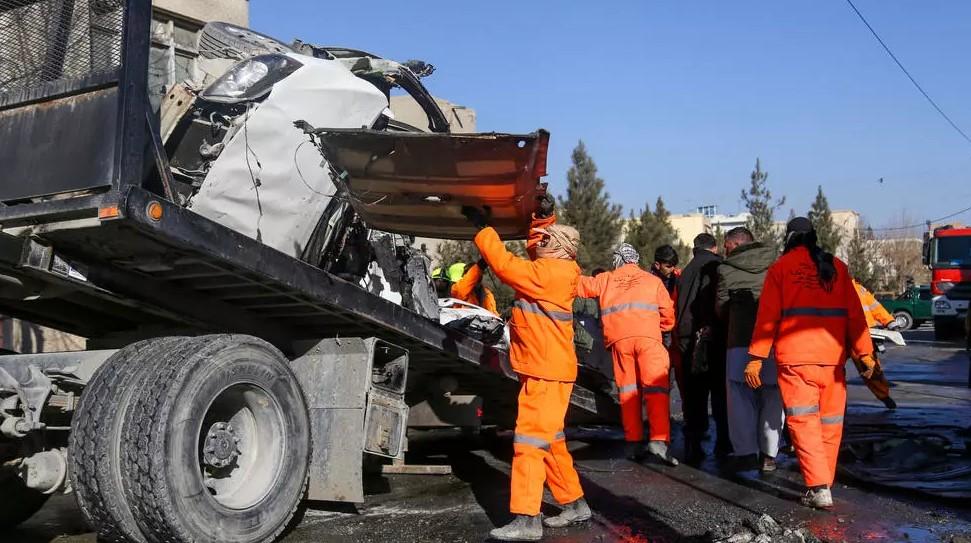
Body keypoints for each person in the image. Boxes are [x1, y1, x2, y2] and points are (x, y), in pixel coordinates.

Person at [463, 195, 589, 541]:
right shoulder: (558, 269)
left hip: (545, 370)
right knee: (552, 440)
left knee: (529, 443)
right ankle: (575, 503)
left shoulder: (546, 275)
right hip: (549, 368)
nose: (541, 244)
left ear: (559, 248)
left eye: (546, 239)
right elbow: (537, 251)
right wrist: (543, 219)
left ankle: (527, 519)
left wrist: (482, 229)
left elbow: (504, 265)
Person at [747, 217, 872, 509]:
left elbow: (767, 318)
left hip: (796, 360)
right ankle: (823, 483)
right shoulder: (836, 267)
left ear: (789, 238)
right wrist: (865, 353)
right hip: (833, 360)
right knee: (830, 423)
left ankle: (817, 487)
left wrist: (755, 357)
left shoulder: (781, 269)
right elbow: (856, 315)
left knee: (804, 422)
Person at [577, 244, 679, 465]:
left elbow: (579, 285)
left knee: (629, 393)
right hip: (649, 340)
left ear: (617, 260)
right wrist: (660, 328)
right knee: (656, 390)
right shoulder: (653, 281)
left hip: (620, 343)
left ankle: (633, 442)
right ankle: (658, 442)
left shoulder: (605, 279)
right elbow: (668, 316)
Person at [716, 227, 784, 473]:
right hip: (773, 340)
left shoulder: (725, 269)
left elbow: (721, 308)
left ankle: (745, 452)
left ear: (734, 244)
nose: (724, 250)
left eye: (726, 245)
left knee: (740, 397)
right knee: (773, 395)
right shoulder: (777, 265)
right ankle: (769, 455)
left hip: (739, 341)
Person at [676, 233, 731, 463]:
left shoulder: (685, 271)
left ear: (694, 249)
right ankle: (724, 442)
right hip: (714, 337)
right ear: (715, 247)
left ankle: (694, 442)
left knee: (694, 394)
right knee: (720, 393)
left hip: (686, 338)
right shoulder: (719, 267)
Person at [852, 279, 899, 409]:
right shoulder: (851, 287)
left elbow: (874, 306)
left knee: (870, 366)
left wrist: (889, 321)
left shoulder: (856, 288)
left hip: (862, 333)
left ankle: (884, 395)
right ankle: (884, 396)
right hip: (852, 333)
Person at [652, 245, 685, 404]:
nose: (672, 269)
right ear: (657, 265)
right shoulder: (648, 282)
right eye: (668, 266)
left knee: (681, 380)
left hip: (676, 336)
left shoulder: (679, 278)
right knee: (659, 381)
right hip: (657, 337)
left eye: (674, 265)